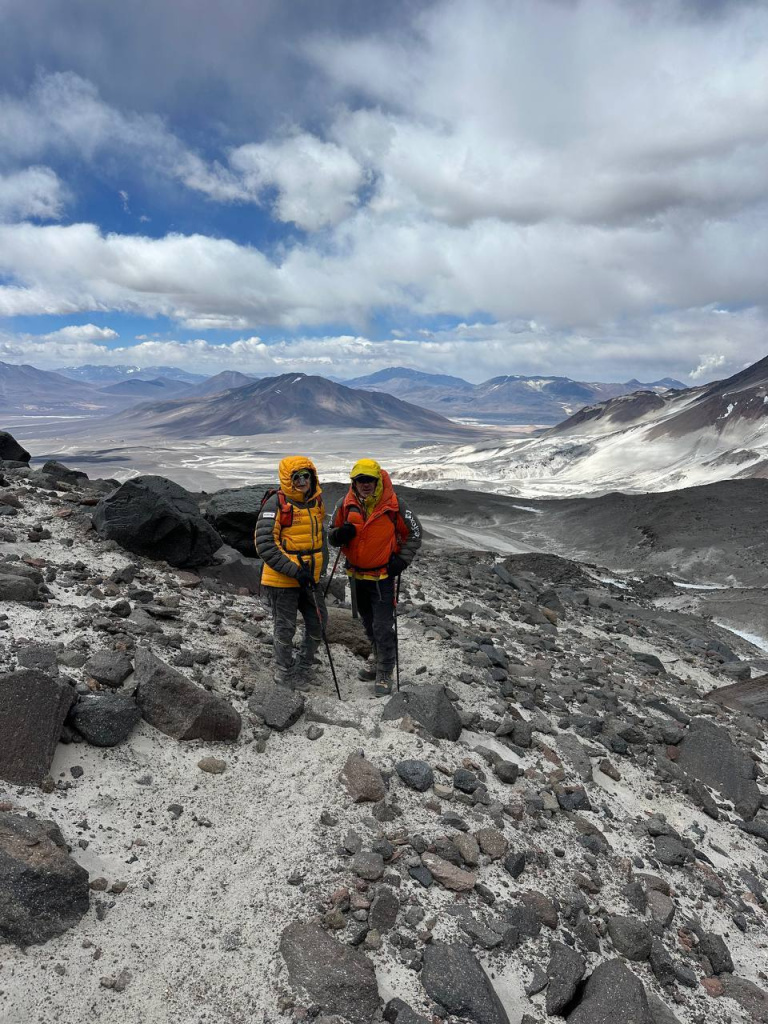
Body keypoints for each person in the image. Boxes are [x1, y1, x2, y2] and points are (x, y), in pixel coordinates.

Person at [328, 458, 421, 696]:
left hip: (382, 577)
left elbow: (414, 533)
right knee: (368, 624)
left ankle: (385, 670)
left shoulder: (394, 504)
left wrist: (401, 561)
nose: (365, 484)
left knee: (382, 625)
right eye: (361, 480)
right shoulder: (344, 504)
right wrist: (339, 535)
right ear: (354, 482)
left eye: (370, 479)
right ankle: (377, 658)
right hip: (356, 575)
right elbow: (330, 533)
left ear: (378, 480)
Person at [255, 456, 327, 687]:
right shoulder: (276, 503)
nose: (302, 481)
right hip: (282, 580)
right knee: (285, 627)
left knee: (319, 620)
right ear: (288, 479)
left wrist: (318, 570)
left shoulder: (316, 502)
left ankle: (305, 665)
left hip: (309, 578)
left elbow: (319, 538)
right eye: (296, 477)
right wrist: (295, 571)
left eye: (306, 476)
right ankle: (284, 673)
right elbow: (264, 544)